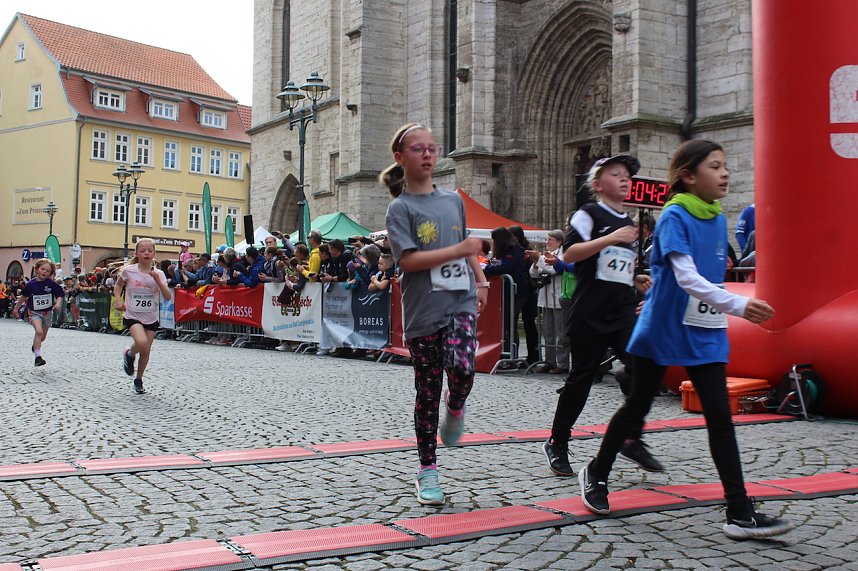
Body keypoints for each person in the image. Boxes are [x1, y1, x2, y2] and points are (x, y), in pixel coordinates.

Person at [578, 140, 791, 540]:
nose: (726, 173)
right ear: (689, 176)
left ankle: (739, 511)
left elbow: (708, 278)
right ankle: (596, 471)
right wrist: (739, 306)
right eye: (715, 166)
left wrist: (726, 306)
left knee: (719, 417)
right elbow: (685, 277)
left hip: (704, 331)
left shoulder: (715, 216)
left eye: (726, 165)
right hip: (664, 327)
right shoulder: (675, 214)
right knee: (636, 406)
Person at [381, 122, 488, 506]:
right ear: (400, 157)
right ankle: (428, 469)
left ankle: (456, 405)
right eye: (417, 149)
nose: (427, 154)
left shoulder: (453, 201)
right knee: (426, 391)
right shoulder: (400, 208)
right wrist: (461, 252)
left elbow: (466, 245)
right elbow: (408, 262)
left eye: (431, 147)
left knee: (463, 366)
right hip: (423, 309)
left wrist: (481, 280)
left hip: (459, 300)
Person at [543, 155, 663, 478]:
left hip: (622, 311)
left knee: (644, 370)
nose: (625, 179)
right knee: (581, 380)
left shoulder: (630, 221)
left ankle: (631, 436)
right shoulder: (589, 214)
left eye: (627, 175)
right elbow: (569, 254)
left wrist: (635, 278)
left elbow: (615, 266)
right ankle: (557, 440)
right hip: (590, 311)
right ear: (598, 184)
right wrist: (611, 238)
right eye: (616, 174)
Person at [114, 238, 172, 394]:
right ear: (136, 253)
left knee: (146, 350)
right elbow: (118, 285)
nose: (146, 253)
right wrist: (118, 300)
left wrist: (158, 281)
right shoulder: (129, 271)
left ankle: (138, 380)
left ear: (154, 253)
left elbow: (167, 296)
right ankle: (130, 353)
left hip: (151, 316)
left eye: (150, 251)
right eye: (142, 250)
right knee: (141, 341)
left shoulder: (159, 273)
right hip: (133, 314)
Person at [528, 230, 568, 374]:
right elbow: (533, 273)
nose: (547, 242)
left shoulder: (563, 255)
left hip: (558, 296)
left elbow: (554, 270)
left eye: (550, 239)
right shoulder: (545, 254)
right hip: (546, 297)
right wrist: (535, 262)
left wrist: (539, 259)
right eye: (547, 239)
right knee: (548, 332)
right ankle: (549, 361)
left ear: (559, 241)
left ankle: (563, 363)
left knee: (560, 331)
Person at [13, 258, 64, 366]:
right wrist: (16, 308)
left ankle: (35, 346)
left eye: (47, 271)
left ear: (51, 273)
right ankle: (38, 357)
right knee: (39, 332)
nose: (44, 272)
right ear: (37, 269)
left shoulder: (51, 284)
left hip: (47, 313)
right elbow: (23, 297)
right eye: (42, 269)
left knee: (43, 337)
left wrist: (58, 304)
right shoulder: (31, 284)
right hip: (34, 312)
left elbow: (60, 294)